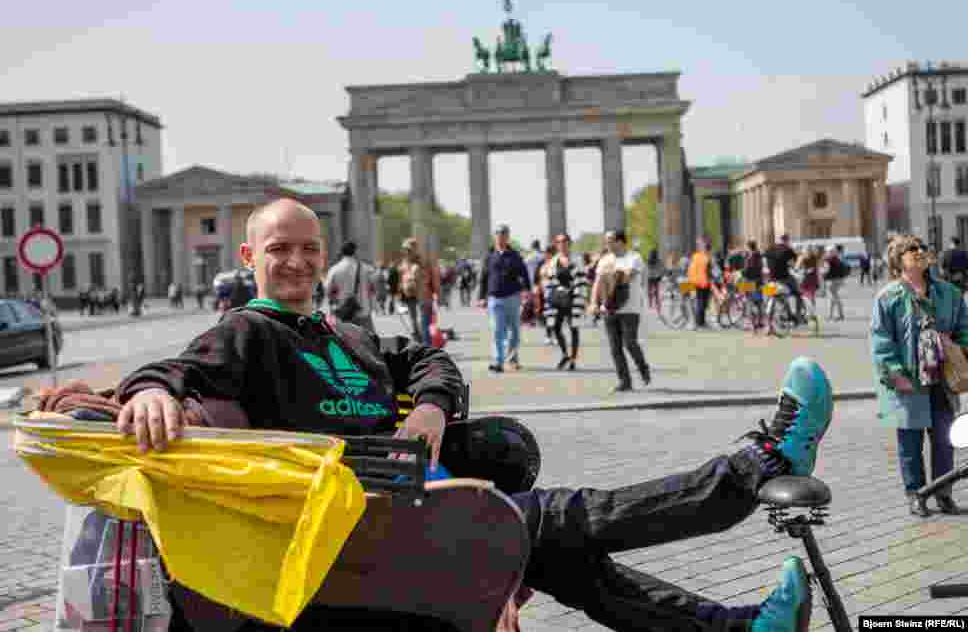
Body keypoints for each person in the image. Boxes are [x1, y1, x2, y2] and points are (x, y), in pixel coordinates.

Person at [115, 197, 836, 631]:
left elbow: (434, 360)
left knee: (557, 552)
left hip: (403, 509)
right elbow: (177, 371)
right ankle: (751, 470)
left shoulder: (350, 335)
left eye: (309, 248)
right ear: (250, 257)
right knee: (555, 517)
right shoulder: (248, 330)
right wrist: (148, 391)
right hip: (344, 533)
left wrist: (430, 406)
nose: (297, 261)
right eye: (280, 249)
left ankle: (731, 627)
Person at [871, 234, 968, 518]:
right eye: (910, 249)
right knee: (910, 444)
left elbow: (965, 327)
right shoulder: (887, 297)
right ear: (897, 259)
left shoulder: (949, 293)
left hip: (943, 378)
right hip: (909, 380)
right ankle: (916, 494)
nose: (919, 252)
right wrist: (895, 373)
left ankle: (944, 493)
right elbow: (881, 341)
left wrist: (960, 349)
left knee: (944, 440)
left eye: (922, 247)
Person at [592, 231, 651, 393]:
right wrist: (593, 303)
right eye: (606, 241)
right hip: (608, 307)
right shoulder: (604, 260)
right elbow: (597, 283)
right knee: (614, 347)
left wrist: (612, 273)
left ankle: (643, 367)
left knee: (630, 343)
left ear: (621, 242)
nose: (607, 245)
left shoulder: (634, 258)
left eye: (610, 241)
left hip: (630, 308)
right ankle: (625, 381)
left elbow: (627, 278)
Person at [477, 225, 531, 373]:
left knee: (514, 332)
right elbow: (483, 277)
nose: (501, 236)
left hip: (512, 298)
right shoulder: (490, 256)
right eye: (499, 234)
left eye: (504, 234)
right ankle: (498, 361)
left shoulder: (515, 255)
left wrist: (527, 290)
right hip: (495, 299)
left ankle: (512, 358)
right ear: (495, 236)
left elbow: (524, 274)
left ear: (508, 237)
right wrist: (481, 297)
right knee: (497, 331)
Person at [540, 234, 589, 371]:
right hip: (558, 298)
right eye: (559, 242)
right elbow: (548, 281)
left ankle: (573, 359)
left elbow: (582, 280)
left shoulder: (577, 260)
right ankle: (564, 354)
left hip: (574, 298)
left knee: (574, 328)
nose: (562, 244)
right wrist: (549, 292)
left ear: (569, 243)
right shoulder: (553, 261)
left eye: (565, 242)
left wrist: (582, 298)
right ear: (557, 245)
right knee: (555, 327)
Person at [325, 240, 375, 333]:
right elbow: (372, 289)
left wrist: (334, 301)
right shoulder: (366, 269)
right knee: (368, 342)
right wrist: (372, 305)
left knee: (344, 342)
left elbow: (327, 290)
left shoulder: (334, 269)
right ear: (355, 251)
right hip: (363, 311)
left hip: (343, 312)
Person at [397, 238, 440, 344]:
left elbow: (434, 277)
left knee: (423, 324)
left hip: (423, 296)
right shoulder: (404, 263)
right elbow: (401, 279)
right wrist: (399, 294)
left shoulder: (424, 262)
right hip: (409, 296)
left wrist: (437, 293)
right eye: (405, 250)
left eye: (409, 250)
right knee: (413, 325)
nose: (407, 252)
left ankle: (427, 348)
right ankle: (419, 345)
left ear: (415, 250)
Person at [764, 234, 804, 320]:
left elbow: (764, 261)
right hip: (784, 277)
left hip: (771, 278)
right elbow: (796, 262)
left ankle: (772, 316)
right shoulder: (788, 249)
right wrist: (795, 268)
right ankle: (798, 315)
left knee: (770, 296)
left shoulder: (769, 248)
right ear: (787, 240)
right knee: (798, 294)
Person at [687, 236, 713, 329]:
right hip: (702, 282)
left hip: (697, 282)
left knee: (700, 302)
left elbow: (691, 270)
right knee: (702, 302)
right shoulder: (704, 257)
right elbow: (709, 270)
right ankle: (699, 322)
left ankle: (700, 322)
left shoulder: (696, 256)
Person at [821, 245, 847, 322]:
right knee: (832, 298)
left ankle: (840, 314)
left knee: (834, 297)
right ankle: (831, 315)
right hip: (839, 280)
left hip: (832, 281)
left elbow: (826, 270)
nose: (826, 253)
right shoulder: (837, 258)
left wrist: (821, 273)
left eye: (827, 251)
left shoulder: (828, 259)